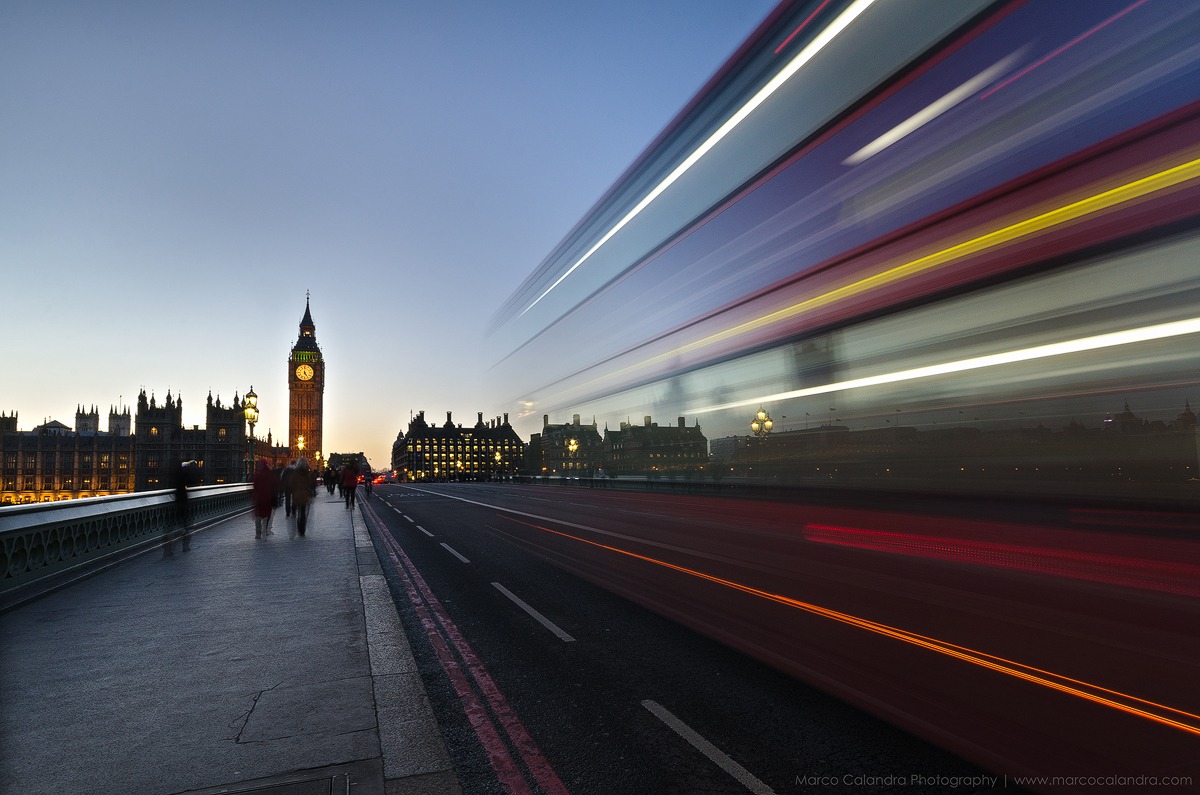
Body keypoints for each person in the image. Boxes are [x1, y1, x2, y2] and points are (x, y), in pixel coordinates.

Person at [252, 460, 278, 539]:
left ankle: (258, 533)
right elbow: (274, 486)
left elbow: (254, 487)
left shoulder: (257, 475)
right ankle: (264, 533)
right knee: (266, 517)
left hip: (259, 499)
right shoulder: (270, 475)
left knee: (258, 517)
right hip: (268, 498)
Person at [289, 458, 315, 536]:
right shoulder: (308, 473)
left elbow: (291, 484)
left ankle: (299, 527)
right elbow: (313, 482)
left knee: (299, 512)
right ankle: (302, 530)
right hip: (305, 494)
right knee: (303, 512)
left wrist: (293, 491)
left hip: (297, 494)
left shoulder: (295, 473)